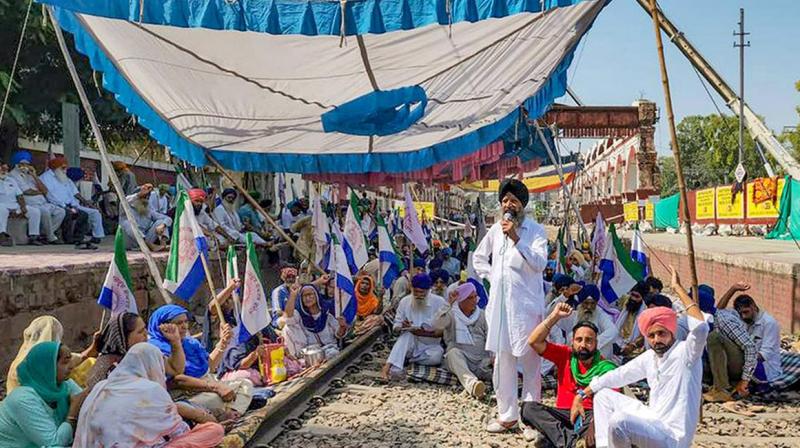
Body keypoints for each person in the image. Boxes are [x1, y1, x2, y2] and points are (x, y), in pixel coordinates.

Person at [574, 266, 709, 448]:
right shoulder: (650, 357)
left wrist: (677, 289)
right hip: (654, 422)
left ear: (671, 331)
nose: (656, 340)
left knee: (619, 421)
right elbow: (619, 375)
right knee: (603, 396)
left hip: (672, 438)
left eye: (661, 333)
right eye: (651, 336)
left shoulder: (687, 352)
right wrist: (582, 394)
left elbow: (700, 328)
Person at [472, 178, 548, 437]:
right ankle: (507, 416)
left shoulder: (535, 231)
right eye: (505, 200)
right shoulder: (495, 230)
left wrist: (515, 237)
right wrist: (491, 276)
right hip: (501, 309)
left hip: (526, 309)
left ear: (522, 205)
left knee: (529, 363)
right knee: (502, 363)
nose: (508, 205)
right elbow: (478, 258)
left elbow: (539, 263)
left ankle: (531, 420)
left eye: (513, 201)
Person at [74, 343, 224, 447]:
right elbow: (180, 432)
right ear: (154, 364)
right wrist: (199, 416)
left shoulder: (101, 386)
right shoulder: (150, 390)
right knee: (214, 430)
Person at [523, 303, 617, 448]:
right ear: (572, 342)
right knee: (528, 408)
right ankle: (571, 442)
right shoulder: (565, 355)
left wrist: (595, 424)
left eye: (589, 340)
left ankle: (556, 439)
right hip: (563, 414)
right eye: (579, 340)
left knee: (597, 436)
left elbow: (612, 403)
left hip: (589, 417)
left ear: (596, 343)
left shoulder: (605, 368)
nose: (583, 345)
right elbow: (534, 341)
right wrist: (554, 317)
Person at [148, 305, 253, 420]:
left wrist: (223, 343)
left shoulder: (190, 343)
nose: (184, 327)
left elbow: (209, 367)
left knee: (245, 384)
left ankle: (232, 412)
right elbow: (177, 380)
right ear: (163, 327)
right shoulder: (156, 349)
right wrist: (216, 387)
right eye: (178, 323)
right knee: (213, 400)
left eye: (185, 322)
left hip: (209, 385)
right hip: (189, 394)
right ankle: (221, 413)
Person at [0, 342, 90, 447]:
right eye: (65, 362)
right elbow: (54, 443)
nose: (71, 366)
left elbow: (88, 404)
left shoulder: (64, 385)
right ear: (46, 367)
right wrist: (73, 412)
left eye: (70, 360)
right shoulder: (22, 399)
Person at [83, 312, 185, 391]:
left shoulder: (145, 354)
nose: (146, 334)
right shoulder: (108, 367)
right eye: (140, 332)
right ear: (123, 338)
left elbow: (175, 369)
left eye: (145, 328)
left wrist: (175, 341)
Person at [694, 285, 758, 403]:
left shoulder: (724, 320)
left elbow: (750, 347)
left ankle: (722, 389)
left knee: (713, 338)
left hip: (739, 365)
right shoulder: (705, 320)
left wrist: (745, 380)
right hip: (725, 363)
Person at [6, 316, 99, 393]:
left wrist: (94, 346)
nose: (70, 367)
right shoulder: (29, 370)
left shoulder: (52, 356)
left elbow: (79, 358)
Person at [381, 273, 447, 380]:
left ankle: (406, 360)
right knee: (407, 335)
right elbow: (396, 326)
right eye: (416, 292)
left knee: (437, 357)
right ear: (412, 289)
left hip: (429, 346)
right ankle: (390, 367)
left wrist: (423, 332)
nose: (419, 295)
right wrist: (401, 327)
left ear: (429, 290)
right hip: (409, 344)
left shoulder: (439, 302)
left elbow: (443, 331)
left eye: (422, 292)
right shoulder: (405, 301)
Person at [717, 282, 783, 387]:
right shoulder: (741, 316)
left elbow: (764, 355)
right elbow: (719, 312)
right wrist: (733, 289)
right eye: (740, 313)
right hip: (747, 362)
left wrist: (740, 358)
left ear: (753, 307)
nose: (743, 317)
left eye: (746, 312)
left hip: (765, 369)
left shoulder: (769, 323)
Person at [432, 282, 492, 399]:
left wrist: (493, 357)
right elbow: (436, 325)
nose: (474, 300)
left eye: (475, 297)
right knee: (453, 353)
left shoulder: (482, 315)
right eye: (470, 298)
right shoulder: (451, 314)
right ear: (461, 300)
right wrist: (447, 304)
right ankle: (473, 385)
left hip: (482, 362)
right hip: (460, 360)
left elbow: (490, 336)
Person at [41, 158, 105, 243]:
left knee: (94, 212)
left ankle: (95, 236)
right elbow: (49, 195)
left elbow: (76, 193)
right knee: (71, 214)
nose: (65, 170)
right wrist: (64, 206)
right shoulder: (45, 178)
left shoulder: (64, 177)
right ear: (55, 168)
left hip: (73, 205)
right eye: (63, 168)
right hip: (58, 205)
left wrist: (88, 203)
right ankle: (68, 239)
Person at [8, 151, 65, 244]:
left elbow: (45, 190)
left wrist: (34, 175)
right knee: (44, 212)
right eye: (23, 164)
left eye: (27, 164)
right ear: (17, 164)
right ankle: (50, 237)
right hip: (31, 203)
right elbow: (27, 191)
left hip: (42, 202)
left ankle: (44, 234)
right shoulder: (14, 175)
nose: (26, 166)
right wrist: (40, 192)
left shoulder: (30, 174)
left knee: (60, 212)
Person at [283, 283, 347, 359]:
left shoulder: (326, 312)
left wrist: (342, 326)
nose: (307, 298)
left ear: (316, 296)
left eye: (310, 294)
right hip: (311, 353)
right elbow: (288, 317)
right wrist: (293, 295)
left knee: (333, 354)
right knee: (287, 327)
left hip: (330, 350)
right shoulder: (300, 315)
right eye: (304, 296)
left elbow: (338, 334)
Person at [0, 161, 42, 246]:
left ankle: (33, 236)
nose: (4, 171)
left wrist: (23, 207)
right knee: (1, 209)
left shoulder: (11, 180)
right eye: (2, 169)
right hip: (2, 205)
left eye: (6, 169)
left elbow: (19, 195)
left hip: (14, 205)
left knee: (35, 211)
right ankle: (2, 235)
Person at [121, 183, 172, 251]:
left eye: (147, 198)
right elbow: (126, 200)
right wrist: (140, 194)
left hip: (145, 242)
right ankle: (150, 245)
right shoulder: (126, 206)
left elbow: (167, 218)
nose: (145, 200)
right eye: (142, 198)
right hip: (130, 242)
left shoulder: (149, 210)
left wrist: (163, 225)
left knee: (161, 222)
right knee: (128, 223)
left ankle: (163, 246)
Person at [575, 284, 617, 358]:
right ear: (581, 302)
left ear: (596, 303)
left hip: (597, 357)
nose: (589, 307)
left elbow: (613, 331)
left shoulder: (601, 315)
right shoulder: (576, 313)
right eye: (586, 303)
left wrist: (592, 343)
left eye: (592, 303)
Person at [613, 281, 649, 362]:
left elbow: (645, 335)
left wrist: (633, 345)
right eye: (632, 295)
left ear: (642, 298)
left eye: (637, 296)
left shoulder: (645, 312)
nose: (633, 298)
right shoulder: (626, 301)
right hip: (618, 340)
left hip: (634, 347)